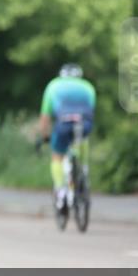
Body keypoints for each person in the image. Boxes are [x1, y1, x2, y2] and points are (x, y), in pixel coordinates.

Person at [39, 63, 96, 210]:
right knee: (81, 140)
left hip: (63, 123)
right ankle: (83, 170)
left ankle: (60, 190)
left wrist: (45, 136)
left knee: (57, 156)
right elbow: (91, 111)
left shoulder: (53, 85)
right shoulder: (88, 87)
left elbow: (45, 117)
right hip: (84, 124)